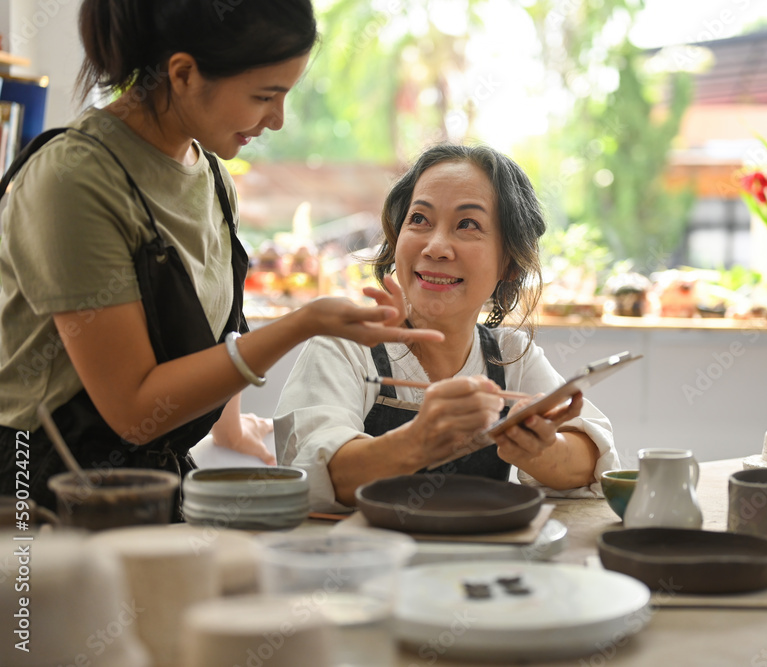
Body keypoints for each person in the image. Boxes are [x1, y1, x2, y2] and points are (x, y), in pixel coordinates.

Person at [0, 0, 441, 514]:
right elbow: (134, 409)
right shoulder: (75, 180)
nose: (277, 120)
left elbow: (211, 331)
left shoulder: (210, 176)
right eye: (264, 96)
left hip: (152, 481)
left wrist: (229, 425)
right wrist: (306, 323)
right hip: (41, 491)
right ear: (183, 74)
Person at [275, 144, 620, 511]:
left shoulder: (509, 357)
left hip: (481, 550)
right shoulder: (346, 346)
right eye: (419, 219)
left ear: (509, 264)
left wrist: (541, 449)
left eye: (467, 224)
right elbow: (311, 473)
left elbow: (591, 459)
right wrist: (417, 441)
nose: (436, 247)